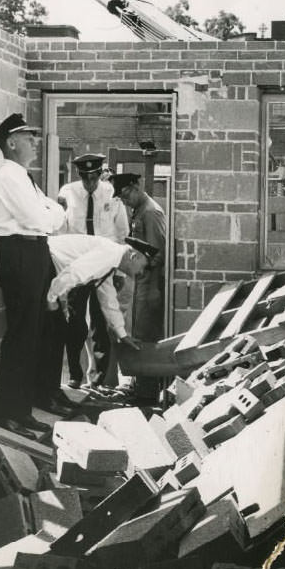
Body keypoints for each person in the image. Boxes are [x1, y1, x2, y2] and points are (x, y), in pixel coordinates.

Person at [0, 113, 66, 439]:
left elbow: (58, 216)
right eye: (27, 136)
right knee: (21, 336)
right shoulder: (8, 176)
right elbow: (41, 218)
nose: (34, 141)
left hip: (34, 252)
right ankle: (6, 413)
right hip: (18, 253)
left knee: (33, 335)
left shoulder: (23, 177)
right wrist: (50, 214)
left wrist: (50, 214)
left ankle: (21, 410)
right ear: (11, 142)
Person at [39, 235, 153, 398]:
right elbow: (74, 272)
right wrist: (51, 297)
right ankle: (50, 394)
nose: (139, 273)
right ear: (134, 256)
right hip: (46, 260)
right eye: (141, 268)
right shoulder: (109, 254)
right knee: (55, 333)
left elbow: (108, 299)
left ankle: (52, 393)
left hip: (51, 268)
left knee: (57, 333)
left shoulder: (112, 260)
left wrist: (122, 334)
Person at [57, 154, 129, 390]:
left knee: (101, 320)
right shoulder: (68, 192)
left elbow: (122, 234)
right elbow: (61, 232)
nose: (90, 183)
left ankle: (98, 378)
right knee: (74, 322)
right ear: (79, 176)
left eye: (94, 177)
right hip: (78, 264)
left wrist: (119, 272)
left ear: (100, 174)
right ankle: (75, 373)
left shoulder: (112, 194)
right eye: (85, 178)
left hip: (104, 265)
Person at [112, 173, 166, 405]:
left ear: (135, 187)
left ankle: (147, 393)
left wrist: (149, 283)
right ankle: (139, 385)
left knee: (146, 335)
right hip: (140, 282)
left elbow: (158, 253)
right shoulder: (140, 210)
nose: (125, 202)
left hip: (150, 284)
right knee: (138, 333)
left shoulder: (151, 212)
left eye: (126, 196)